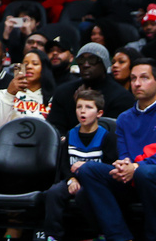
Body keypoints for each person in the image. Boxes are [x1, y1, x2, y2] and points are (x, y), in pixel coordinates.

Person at [76, 57, 156, 241]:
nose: (137, 83)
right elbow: (124, 154)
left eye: (144, 78)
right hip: (134, 174)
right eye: (133, 78)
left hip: (148, 174)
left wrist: (135, 168)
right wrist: (125, 166)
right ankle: (120, 237)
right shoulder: (124, 118)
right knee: (88, 169)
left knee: (144, 172)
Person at [36, 88, 118, 241]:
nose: (82, 111)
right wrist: (71, 179)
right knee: (53, 192)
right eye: (79, 107)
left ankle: (100, 232)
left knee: (83, 194)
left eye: (88, 107)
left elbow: (109, 166)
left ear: (99, 113)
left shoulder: (107, 137)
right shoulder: (70, 134)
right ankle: (53, 235)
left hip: (95, 183)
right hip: (72, 180)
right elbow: (64, 164)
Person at [46, 43, 135, 132]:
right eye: (81, 60)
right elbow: (54, 130)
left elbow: (111, 133)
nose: (86, 65)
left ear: (104, 64)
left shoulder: (121, 97)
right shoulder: (64, 91)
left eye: (92, 59)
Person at [0, 49, 54, 134]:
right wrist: (10, 94)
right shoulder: (4, 94)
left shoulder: (54, 98)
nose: (29, 66)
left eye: (35, 64)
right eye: (25, 64)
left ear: (44, 68)